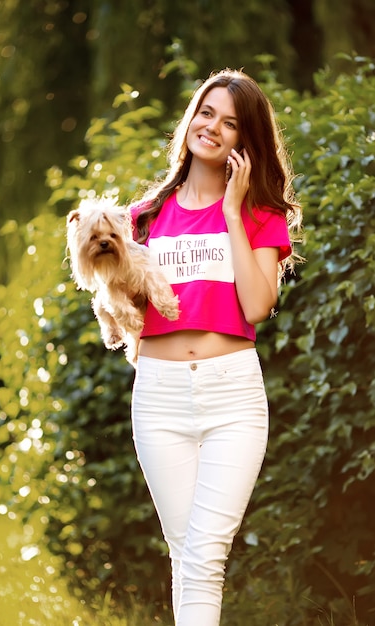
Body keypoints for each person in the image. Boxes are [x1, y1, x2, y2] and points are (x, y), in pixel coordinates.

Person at [129, 68, 302, 626]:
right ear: (190, 119)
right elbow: (127, 309)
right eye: (206, 112)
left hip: (232, 398)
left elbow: (256, 307)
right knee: (188, 555)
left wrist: (231, 211)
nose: (212, 127)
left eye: (230, 123)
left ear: (244, 141)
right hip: (159, 399)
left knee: (204, 555)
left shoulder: (259, 214)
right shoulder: (144, 218)